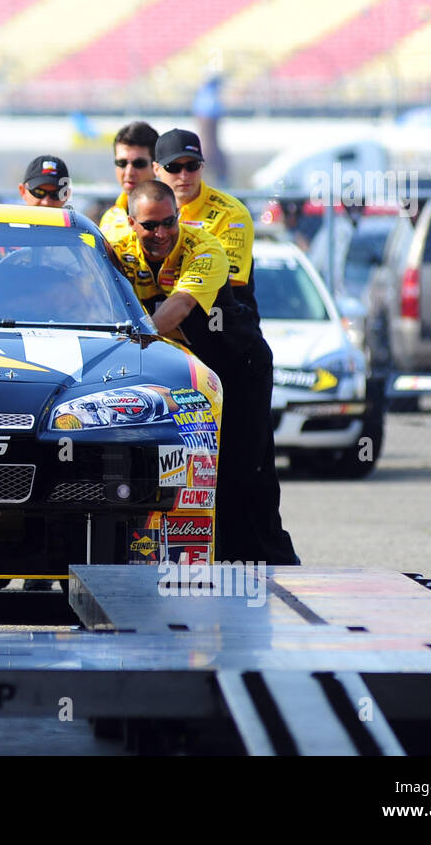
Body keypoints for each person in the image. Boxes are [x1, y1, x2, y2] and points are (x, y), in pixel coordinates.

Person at [105, 180, 299, 565]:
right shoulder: (117, 249)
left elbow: (175, 309)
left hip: (237, 365)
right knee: (172, 468)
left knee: (245, 472)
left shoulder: (205, 247)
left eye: (168, 222)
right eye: (149, 226)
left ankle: (271, 564)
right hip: (177, 367)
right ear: (131, 223)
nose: (161, 234)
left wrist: (122, 342)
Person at [153, 128, 258, 315]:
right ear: (156, 169)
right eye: (173, 168)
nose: (184, 175)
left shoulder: (232, 214)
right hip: (167, 319)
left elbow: (220, 285)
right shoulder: (144, 211)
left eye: (191, 166)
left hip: (221, 321)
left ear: (202, 166)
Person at [98, 120, 158, 236]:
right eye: (122, 163)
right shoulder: (110, 217)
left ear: (155, 166)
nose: (129, 172)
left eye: (139, 163)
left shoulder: (170, 217)